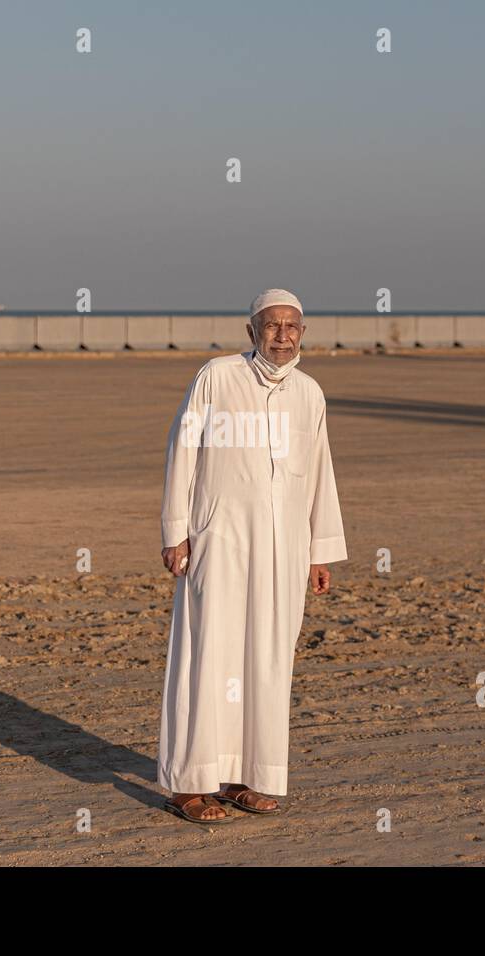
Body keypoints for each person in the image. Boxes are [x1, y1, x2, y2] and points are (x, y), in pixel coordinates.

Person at [157, 289, 347, 824]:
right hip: (217, 541)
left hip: (284, 549)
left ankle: (245, 779)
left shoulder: (310, 393)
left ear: (303, 334)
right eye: (272, 325)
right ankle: (188, 785)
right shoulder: (217, 376)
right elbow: (182, 449)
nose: (282, 334)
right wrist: (176, 531)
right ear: (252, 331)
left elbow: (319, 473)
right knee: (207, 654)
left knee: (266, 660)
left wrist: (319, 551)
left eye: (292, 326)